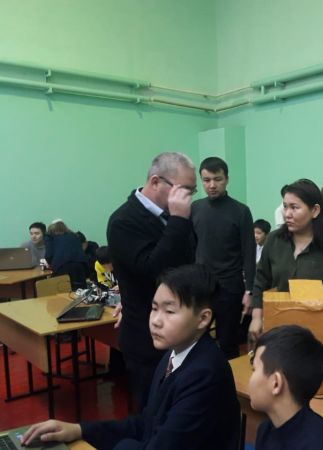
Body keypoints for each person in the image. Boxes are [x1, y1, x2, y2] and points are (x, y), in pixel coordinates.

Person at [21, 264, 241, 450]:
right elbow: (146, 424)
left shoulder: (205, 374)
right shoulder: (173, 355)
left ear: (203, 319)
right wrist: (79, 430)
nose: (156, 320)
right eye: (154, 308)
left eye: (169, 311)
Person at [107, 151, 197, 411]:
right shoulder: (123, 220)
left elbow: (188, 263)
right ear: (156, 181)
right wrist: (178, 220)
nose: (187, 198)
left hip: (181, 328)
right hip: (147, 337)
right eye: (183, 190)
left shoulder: (175, 214)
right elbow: (152, 269)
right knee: (153, 410)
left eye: (191, 192)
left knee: (179, 406)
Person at [248, 179, 323, 339]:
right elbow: (261, 280)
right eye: (285, 206)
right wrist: (256, 317)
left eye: (294, 207)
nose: (287, 214)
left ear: (315, 211)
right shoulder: (274, 240)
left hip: (314, 327)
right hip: (277, 323)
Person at [191, 156, 255, 359]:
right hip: (201, 286)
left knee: (228, 343)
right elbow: (190, 248)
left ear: (226, 179)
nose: (212, 185)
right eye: (206, 180)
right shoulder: (195, 208)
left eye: (217, 179)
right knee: (196, 340)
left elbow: (249, 253)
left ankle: (229, 379)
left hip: (230, 288)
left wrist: (249, 290)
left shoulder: (241, 211)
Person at [249, 325, 323, 450]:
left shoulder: (318, 445)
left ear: (276, 383)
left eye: (254, 369)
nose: (250, 377)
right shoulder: (265, 430)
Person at [45, 220, 88, 290]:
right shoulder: (74, 235)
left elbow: (48, 255)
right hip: (80, 267)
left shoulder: (49, 237)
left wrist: (51, 264)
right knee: (81, 292)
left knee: (63, 292)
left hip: (62, 268)